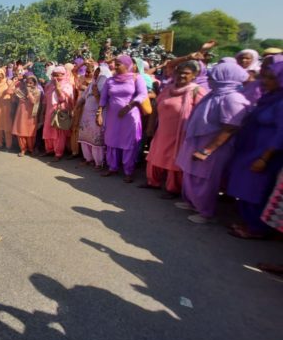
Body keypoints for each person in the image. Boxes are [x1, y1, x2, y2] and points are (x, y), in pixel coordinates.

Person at [175, 62, 250, 224]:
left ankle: (205, 212)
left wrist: (206, 150)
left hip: (213, 147)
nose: (209, 78)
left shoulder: (233, 98)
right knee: (192, 174)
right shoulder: (215, 93)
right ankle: (193, 203)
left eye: (213, 76)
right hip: (199, 142)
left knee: (205, 179)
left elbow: (230, 128)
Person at [227, 61, 283, 238]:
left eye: (271, 78)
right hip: (250, 150)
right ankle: (248, 220)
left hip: (265, 153)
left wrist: (265, 158)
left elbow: (281, 134)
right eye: (265, 76)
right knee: (245, 185)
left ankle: (257, 228)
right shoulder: (269, 97)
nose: (265, 81)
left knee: (256, 189)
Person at [142, 61, 207, 198]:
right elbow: (155, 109)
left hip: (181, 133)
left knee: (174, 160)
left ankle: (173, 189)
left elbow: (202, 115)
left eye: (186, 73)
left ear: (194, 76)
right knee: (156, 154)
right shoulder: (167, 89)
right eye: (179, 72)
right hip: (162, 130)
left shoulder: (197, 91)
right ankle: (153, 182)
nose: (182, 75)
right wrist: (150, 127)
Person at [96, 55, 148, 183]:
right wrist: (99, 113)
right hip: (113, 117)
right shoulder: (110, 81)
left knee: (128, 143)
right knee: (111, 140)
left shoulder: (136, 78)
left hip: (130, 116)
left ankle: (128, 171)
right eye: (115, 63)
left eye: (118, 64)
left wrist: (129, 106)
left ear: (127, 65)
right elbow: (103, 98)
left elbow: (143, 94)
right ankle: (112, 167)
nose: (115, 65)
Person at [78, 65, 111, 168]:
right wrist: (76, 108)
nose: (95, 74)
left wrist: (96, 94)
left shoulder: (106, 86)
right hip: (86, 115)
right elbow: (83, 97)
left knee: (96, 140)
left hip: (98, 115)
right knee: (85, 138)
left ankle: (98, 162)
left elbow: (103, 103)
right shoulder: (92, 84)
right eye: (95, 72)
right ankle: (88, 159)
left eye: (98, 72)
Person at [42, 66, 74, 161]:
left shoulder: (67, 85)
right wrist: (43, 111)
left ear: (64, 75)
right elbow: (45, 99)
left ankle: (58, 153)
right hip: (49, 110)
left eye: (58, 75)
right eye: (54, 75)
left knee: (58, 133)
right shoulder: (49, 84)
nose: (55, 78)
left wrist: (58, 88)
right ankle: (49, 150)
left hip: (59, 110)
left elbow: (63, 99)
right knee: (48, 129)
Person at [12, 73, 43, 157]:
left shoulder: (37, 91)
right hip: (21, 114)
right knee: (21, 132)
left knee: (30, 133)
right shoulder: (21, 90)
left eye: (31, 83)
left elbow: (33, 102)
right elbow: (11, 91)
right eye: (27, 83)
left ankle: (31, 149)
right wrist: (14, 82)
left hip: (31, 115)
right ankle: (23, 149)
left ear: (34, 83)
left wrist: (29, 93)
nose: (28, 85)